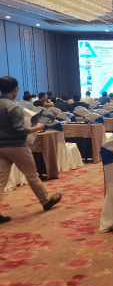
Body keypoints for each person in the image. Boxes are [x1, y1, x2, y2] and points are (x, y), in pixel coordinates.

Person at [0, 76, 63, 224]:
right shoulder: (13, 107)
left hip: (1, 147)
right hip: (17, 146)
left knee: (0, 180)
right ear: (15, 90)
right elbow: (20, 130)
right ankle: (46, 201)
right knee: (32, 176)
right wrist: (38, 127)